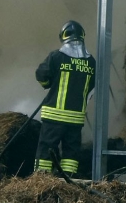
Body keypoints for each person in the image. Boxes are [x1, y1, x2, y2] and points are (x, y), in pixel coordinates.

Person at [33, 20, 97, 177]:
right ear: (82, 36)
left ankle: (42, 179)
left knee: (47, 147)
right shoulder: (91, 62)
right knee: (71, 150)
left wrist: (48, 84)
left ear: (63, 36)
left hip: (54, 115)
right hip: (75, 118)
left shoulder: (56, 56)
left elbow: (41, 75)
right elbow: (92, 89)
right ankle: (68, 179)